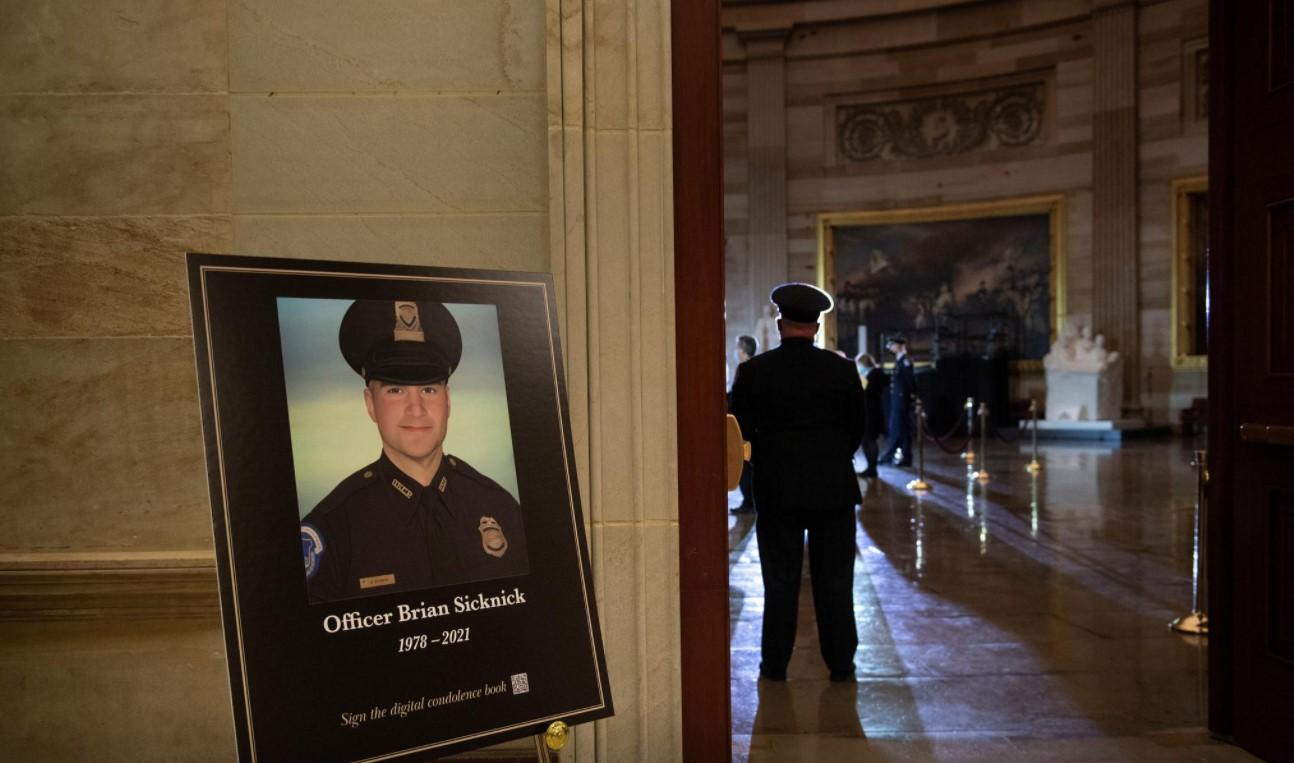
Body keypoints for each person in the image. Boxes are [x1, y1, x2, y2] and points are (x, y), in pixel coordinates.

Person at [301, 299, 528, 604]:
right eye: (395, 390)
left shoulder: (502, 508)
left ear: (448, 401)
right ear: (370, 404)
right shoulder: (332, 529)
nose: (416, 409)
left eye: (428, 389)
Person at [730, 283, 864, 682]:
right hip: (833, 491)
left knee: (780, 581)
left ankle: (774, 666)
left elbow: (740, 434)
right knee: (836, 582)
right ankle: (841, 664)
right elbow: (857, 429)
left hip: (777, 490)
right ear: (818, 326)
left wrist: (765, 468)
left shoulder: (753, 372)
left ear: (779, 323)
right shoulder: (842, 370)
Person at [877, 335, 916, 467]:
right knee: (900, 429)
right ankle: (903, 456)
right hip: (897, 400)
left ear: (899, 346)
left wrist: (911, 397)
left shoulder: (905, 360)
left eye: (892, 345)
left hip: (902, 400)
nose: (891, 348)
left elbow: (910, 381)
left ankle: (897, 456)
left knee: (900, 428)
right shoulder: (900, 360)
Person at [730, 335, 758, 514]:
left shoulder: (745, 369)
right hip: (752, 424)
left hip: (744, 425)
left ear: (743, 350)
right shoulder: (755, 367)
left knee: (745, 467)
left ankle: (749, 501)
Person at [855, 353, 887, 478]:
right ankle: (870, 467)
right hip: (869, 412)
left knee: (869, 440)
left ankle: (872, 468)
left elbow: (868, 392)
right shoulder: (871, 374)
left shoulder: (874, 375)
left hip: (872, 413)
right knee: (867, 440)